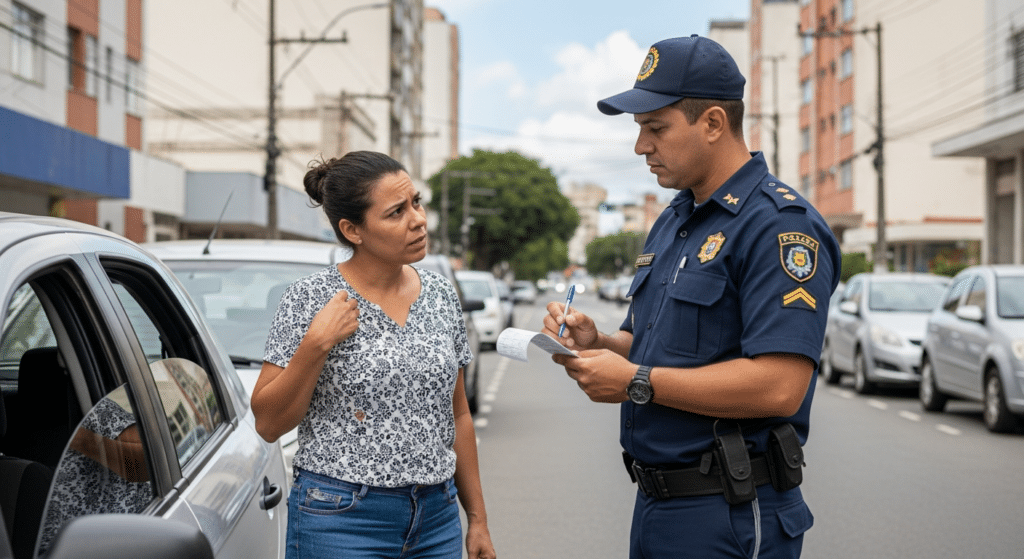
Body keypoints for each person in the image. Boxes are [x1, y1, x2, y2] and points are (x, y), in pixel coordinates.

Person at [542, 35, 840, 559]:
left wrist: (634, 382)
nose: (641, 147)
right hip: (658, 506)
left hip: (729, 511)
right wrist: (602, 343)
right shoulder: (677, 220)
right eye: (639, 130)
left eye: (655, 128)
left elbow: (779, 386)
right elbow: (651, 347)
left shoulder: (777, 227)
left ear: (712, 124)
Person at [251, 151, 496, 559]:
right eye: (396, 212)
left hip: (436, 518)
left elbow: (458, 415)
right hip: (341, 519)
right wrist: (316, 344)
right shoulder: (309, 299)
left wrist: (478, 519)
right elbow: (269, 423)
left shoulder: (439, 296)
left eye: (416, 202)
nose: (417, 219)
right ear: (353, 230)